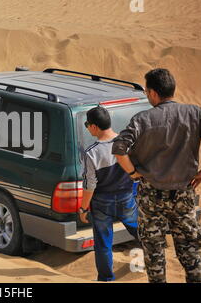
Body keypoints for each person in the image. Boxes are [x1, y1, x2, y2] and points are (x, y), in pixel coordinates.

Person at [112, 68, 201, 283]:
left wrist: (132, 173)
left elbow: (119, 149)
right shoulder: (196, 113)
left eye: (147, 91)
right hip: (184, 194)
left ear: (153, 93)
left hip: (151, 197)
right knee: (191, 250)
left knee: (154, 251)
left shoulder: (142, 119)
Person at [79, 106, 138, 282]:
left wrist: (83, 209)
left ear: (94, 127)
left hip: (102, 203)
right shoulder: (127, 144)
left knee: (103, 243)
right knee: (141, 232)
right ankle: (154, 259)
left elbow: (90, 185)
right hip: (127, 198)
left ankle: (106, 279)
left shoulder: (91, 153)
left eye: (87, 125)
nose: (87, 128)